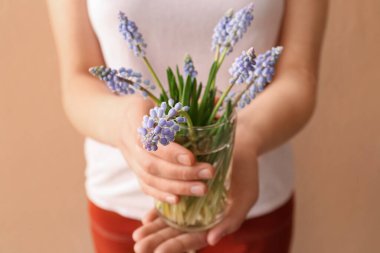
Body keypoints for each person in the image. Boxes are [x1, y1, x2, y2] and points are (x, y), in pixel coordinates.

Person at [47, 0, 327, 252]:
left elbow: (298, 74)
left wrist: (242, 141)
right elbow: (79, 78)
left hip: (247, 199)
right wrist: (124, 125)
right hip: (122, 199)